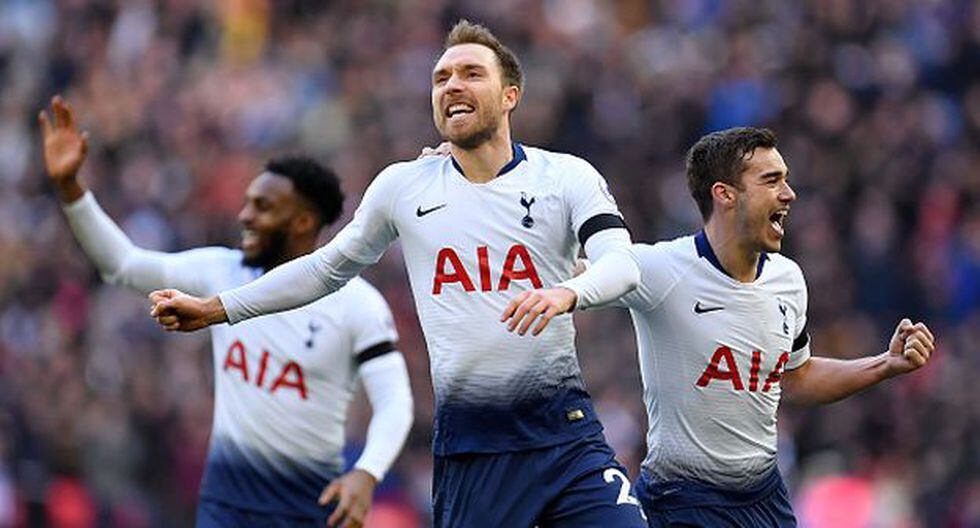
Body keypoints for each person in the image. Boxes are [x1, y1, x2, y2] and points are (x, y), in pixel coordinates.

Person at [147, 20, 648, 527]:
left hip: (567, 440)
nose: (452, 85)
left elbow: (621, 265)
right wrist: (218, 308)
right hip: (474, 454)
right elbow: (324, 269)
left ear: (510, 95)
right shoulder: (404, 188)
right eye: (441, 78)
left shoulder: (565, 176)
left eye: (472, 73)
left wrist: (568, 293)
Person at [39, 96, 413, 528]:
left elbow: (395, 401)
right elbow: (122, 265)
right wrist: (71, 189)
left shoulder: (357, 303)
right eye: (248, 202)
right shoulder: (221, 271)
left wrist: (367, 472)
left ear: (303, 223)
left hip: (309, 510)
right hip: (225, 508)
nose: (244, 215)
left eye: (263, 206)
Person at [588, 127, 935, 527]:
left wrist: (885, 364)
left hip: (764, 498)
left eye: (785, 180)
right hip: (682, 501)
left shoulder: (788, 279)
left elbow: (797, 377)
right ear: (725, 194)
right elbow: (579, 275)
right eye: (771, 181)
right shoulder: (660, 268)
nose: (789, 194)